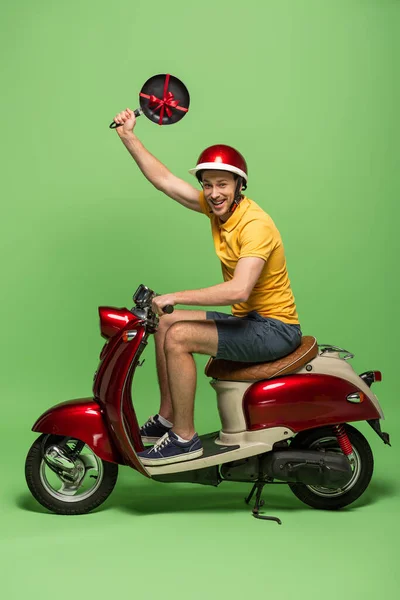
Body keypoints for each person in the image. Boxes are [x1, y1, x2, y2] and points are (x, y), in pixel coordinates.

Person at [112, 107, 302, 467]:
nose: (213, 193)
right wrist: (128, 136)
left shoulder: (255, 225)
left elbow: (238, 291)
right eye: (208, 184)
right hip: (250, 321)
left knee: (179, 335)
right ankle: (168, 418)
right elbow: (165, 181)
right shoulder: (220, 209)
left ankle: (185, 439)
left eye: (222, 184)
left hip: (275, 329)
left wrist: (173, 296)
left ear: (239, 186)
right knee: (166, 322)